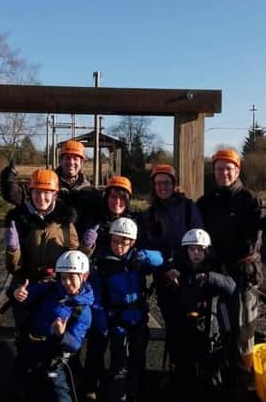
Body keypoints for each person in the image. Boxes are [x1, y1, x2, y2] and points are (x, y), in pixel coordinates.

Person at [196, 149, 266, 400]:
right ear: (214, 172)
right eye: (219, 168)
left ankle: (245, 386)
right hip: (216, 269)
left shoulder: (250, 200)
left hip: (243, 274)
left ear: (238, 170)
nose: (224, 173)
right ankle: (219, 380)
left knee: (242, 333)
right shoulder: (206, 202)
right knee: (215, 328)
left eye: (228, 168)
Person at [136, 164, 203, 369]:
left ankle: (192, 375)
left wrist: (183, 267)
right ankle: (176, 373)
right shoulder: (149, 214)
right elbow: (145, 248)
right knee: (172, 327)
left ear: (174, 184)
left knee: (193, 327)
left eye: (166, 182)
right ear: (153, 186)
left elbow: (200, 240)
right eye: (158, 183)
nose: (162, 187)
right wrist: (165, 270)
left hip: (189, 278)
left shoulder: (189, 208)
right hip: (165, 280)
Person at [90, 217, 163, 402]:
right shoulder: (104, 263)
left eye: (124, 242)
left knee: (138, 359)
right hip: (117, 320)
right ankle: (118, 394)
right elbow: (96, 296)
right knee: (119, 361)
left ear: (133, 242)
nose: (119, 246)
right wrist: (101, 323)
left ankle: (135, 392)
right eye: (115, 241)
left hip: (138, 318)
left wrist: (143, 256)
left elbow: (161, 259)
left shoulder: (136, 259)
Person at [9, 250, 94, 402]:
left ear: (85, 276)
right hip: (30, 350)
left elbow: (75, 344)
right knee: (25, 388)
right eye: (63, 278)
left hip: (53, 360)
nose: (66, 282)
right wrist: (18, 293)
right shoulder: (51, 288)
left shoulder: (83, 310)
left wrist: (61, 335)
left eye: (71, 278)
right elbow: (28, 295)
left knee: (58, 393)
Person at [163, 229, 236, 402]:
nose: (196, 253)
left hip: (207, 326)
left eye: (200, 249)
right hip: (183, 323)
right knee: (183, 362)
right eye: (191, 249)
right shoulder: (179, 267)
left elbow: (231, 286)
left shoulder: (215, 268)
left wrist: (210, 277)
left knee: (206, 364)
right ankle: (183, 391)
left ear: (206, 251)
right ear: (186, 251)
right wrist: (169, 276)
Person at [82, 175, 136, 400]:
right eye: (113, 196)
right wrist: (88, 246)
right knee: (97, 339)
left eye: (122, 197)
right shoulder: (95, 221)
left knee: (121, 346)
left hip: (123, 293)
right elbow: (81, 255)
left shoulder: (135, 223)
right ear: (107, 197)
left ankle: (116, 386)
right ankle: (89, 384)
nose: (117, 201)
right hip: (99, 289)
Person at [0, 140, 103, 235]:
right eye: (67, 158)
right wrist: (8, 179)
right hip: (49, 242)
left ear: (81, 163)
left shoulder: (91, 192)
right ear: (61, 160)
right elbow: (16, 195)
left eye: (75, 159)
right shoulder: (45, 182)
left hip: (78, 245)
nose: (71, 162)